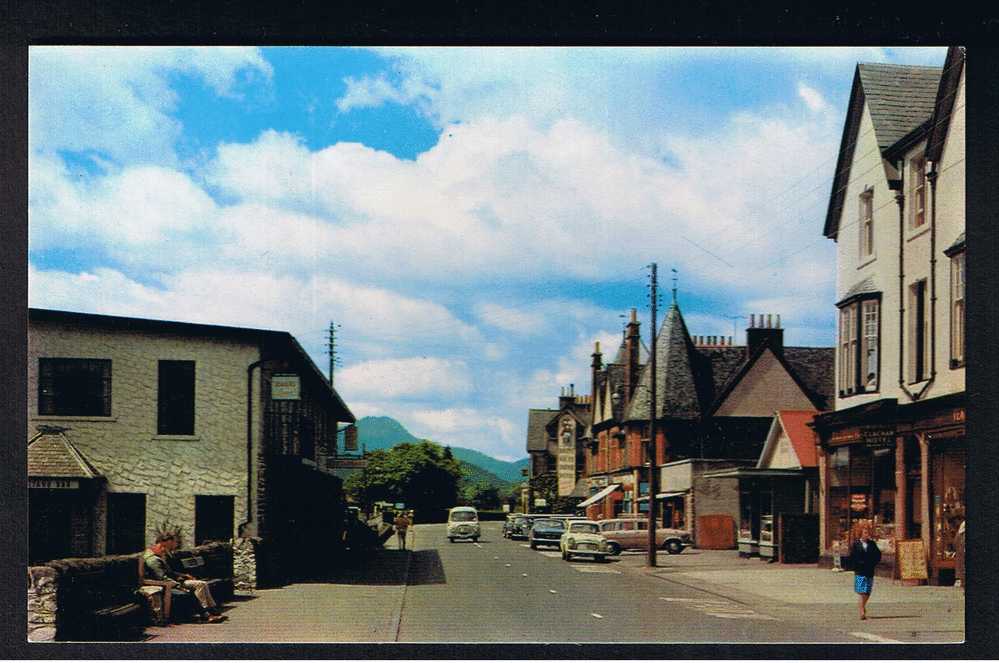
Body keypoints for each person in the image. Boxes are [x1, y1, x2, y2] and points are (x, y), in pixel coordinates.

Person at [144, 533, 224, 623]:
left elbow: (169, 572)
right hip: (167, 584)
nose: (165, 551)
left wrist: (183, 575)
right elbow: (162, 577)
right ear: (164, 543)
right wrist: (179, 584)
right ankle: (206, 613)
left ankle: (210, 610)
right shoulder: (153, 560)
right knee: (195, 588)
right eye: (172, 542)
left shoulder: (160, 556)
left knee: (201, 584)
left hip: (173, 581)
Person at [849, 523, 882, 620]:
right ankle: (862, 611)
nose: (867, 534)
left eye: (868, 533)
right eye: (865, 533)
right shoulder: (856, 544)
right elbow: (852, 557)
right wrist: (855, 566)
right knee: (861, 591)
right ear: (861, 533)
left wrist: (874, 563)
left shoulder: (872, 544)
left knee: (867, 591)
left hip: (869, 570)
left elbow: (878, 555)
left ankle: (862, 606)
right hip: (859, 571)